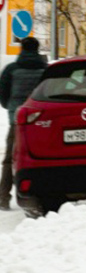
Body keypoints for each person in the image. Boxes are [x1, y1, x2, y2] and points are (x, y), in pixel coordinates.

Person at [0, 37, 48, 209]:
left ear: (21, 48)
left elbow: (3, 96)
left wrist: (12, 109)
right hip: (40, 121)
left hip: (17, 120)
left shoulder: (11, 69)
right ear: (37, 49)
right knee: (40, 158)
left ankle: (3, 197)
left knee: (8, 159)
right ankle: (40, 193)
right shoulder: (45, 69)